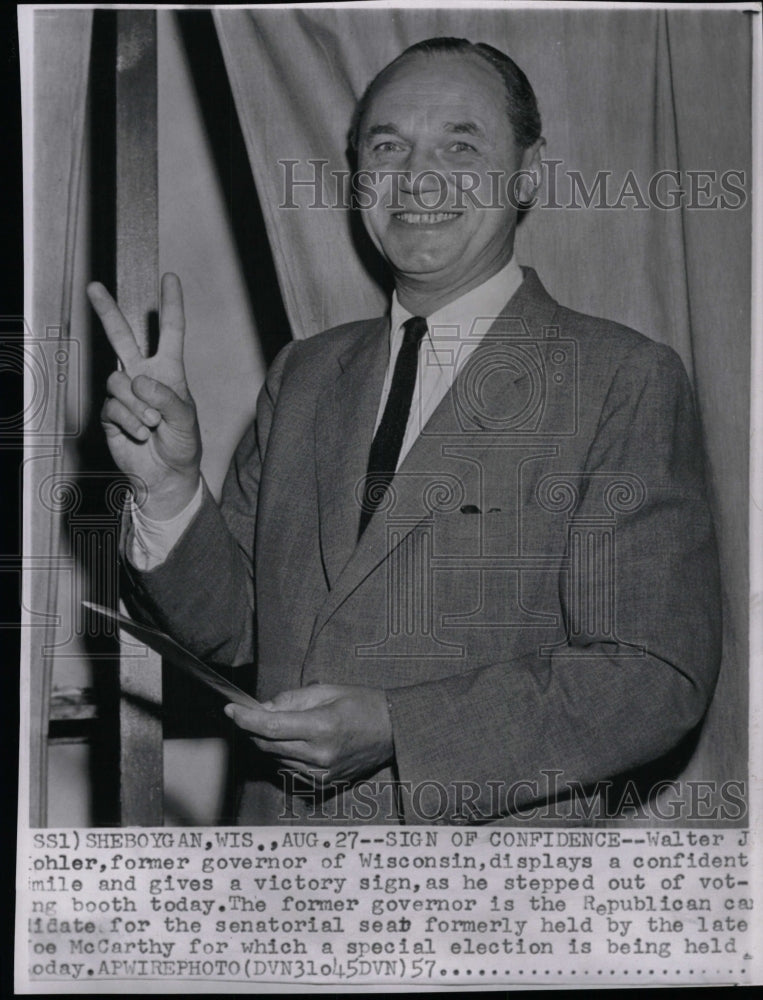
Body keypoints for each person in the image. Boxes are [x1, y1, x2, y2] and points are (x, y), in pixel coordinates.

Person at [88, 37, 721, 825]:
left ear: (527, 171)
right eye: (387, 147)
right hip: (280, 880)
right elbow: (232, 629)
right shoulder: (305, 375)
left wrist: (397, 727)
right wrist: (171, 490)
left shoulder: (619, 379)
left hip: (485, 910)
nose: (418, 178)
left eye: (461, 144)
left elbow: (652, 676)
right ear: (359, 176)